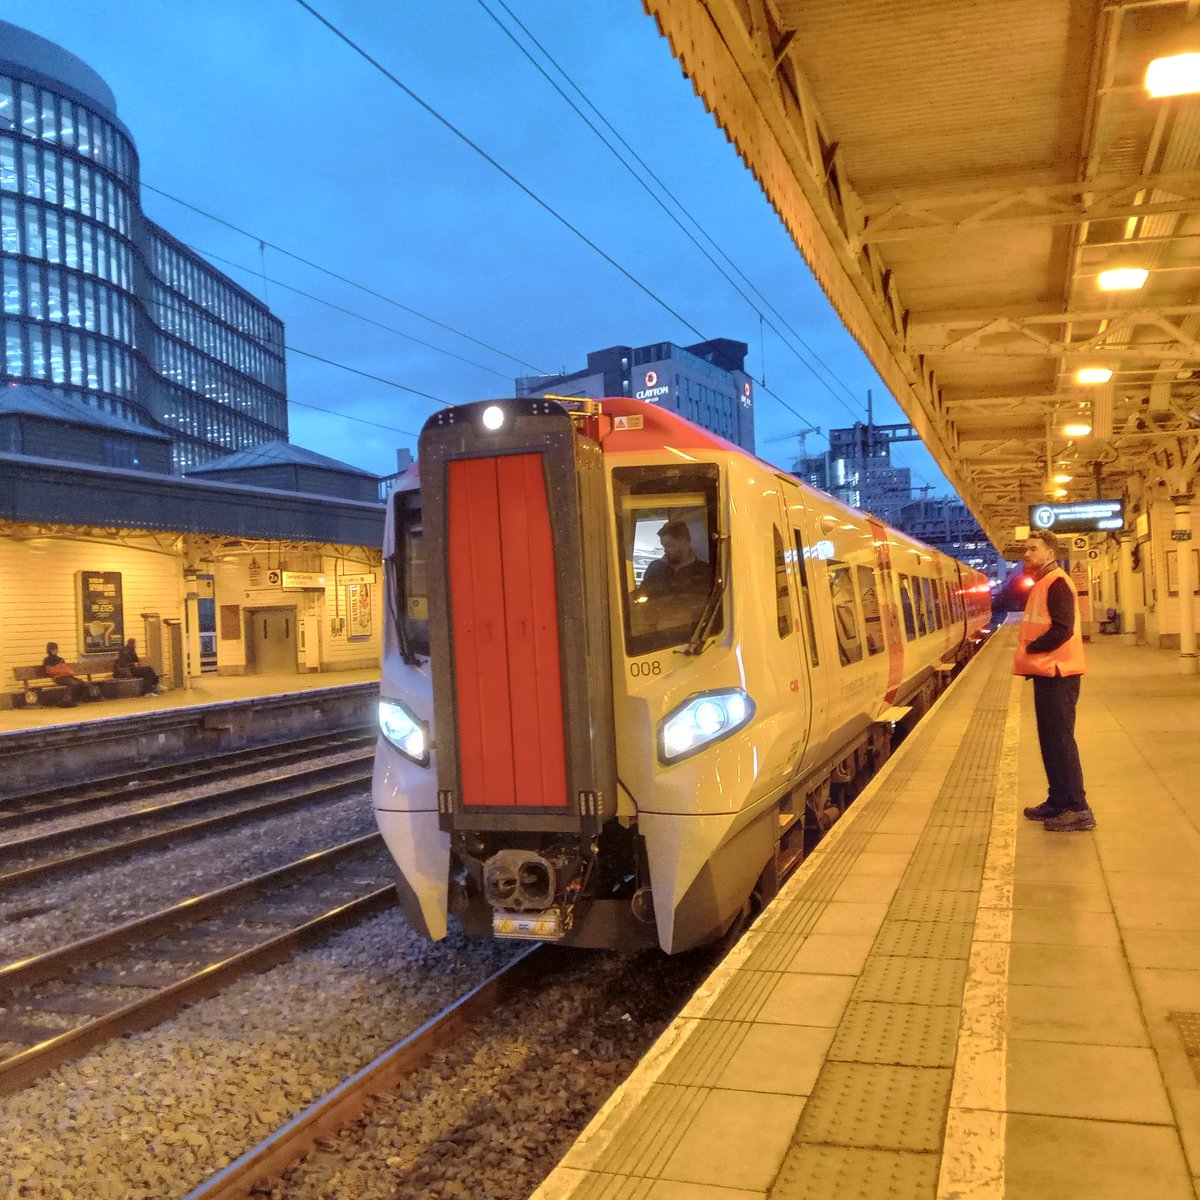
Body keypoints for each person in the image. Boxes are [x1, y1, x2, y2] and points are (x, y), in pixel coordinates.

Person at [1013, 530, 1095, 831]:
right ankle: (1058, 799)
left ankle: (1078, 808)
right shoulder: (1045, 582)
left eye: (1033, 549)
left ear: (1050, 552)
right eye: (1027, 549)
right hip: (1047, 672)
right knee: (1049, 739)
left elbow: (1063, 628)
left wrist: (1030, 648)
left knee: (1061, 740)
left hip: (1060, 672)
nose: (1027, 555)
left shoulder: (1057, 582)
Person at [640, 520, 713, 598]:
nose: (665, 550)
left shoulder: (704, 572)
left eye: (669, 545)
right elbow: (642, 595)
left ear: (684, 541)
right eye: (664, 546)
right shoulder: (654, 569)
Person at [41, 642, 88, 706]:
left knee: (83, 683)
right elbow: (49, 671)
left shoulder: (60, 659)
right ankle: (66, 700)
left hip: (67, 676)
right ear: (50, 650)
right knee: (74, 684)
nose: (55, 651)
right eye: (53, 650)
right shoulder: (47, 660)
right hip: (58, 678)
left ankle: (74, 699)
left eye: (56, 649)